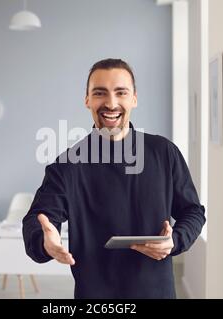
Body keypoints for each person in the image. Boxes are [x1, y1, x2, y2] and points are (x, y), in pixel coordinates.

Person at [22, 58, 205, 299]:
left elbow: (193, 211)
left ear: (134, 99)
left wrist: (175, 241)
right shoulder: (67, 166)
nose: (111, 103)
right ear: (87, 100)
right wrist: (45, 241)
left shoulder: (164, 152)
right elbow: (38, 219)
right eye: (100, 93)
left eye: (121, 92)